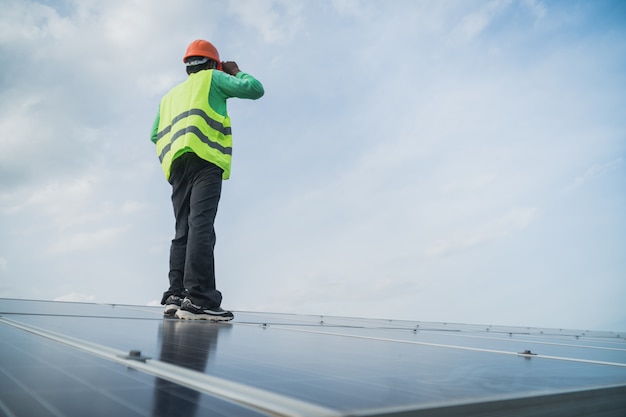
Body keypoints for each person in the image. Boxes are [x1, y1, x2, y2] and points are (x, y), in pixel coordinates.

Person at [150, 39, 264, 321]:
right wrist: (235, 71)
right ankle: (199, 299)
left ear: (188, 66)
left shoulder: (169, 97)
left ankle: (175, 296)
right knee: (200, 225)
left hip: (177, 165)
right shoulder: (214, 78)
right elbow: (255, 89)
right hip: (206, 159)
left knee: (182, 230)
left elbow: (154, 134)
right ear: (213, 63)